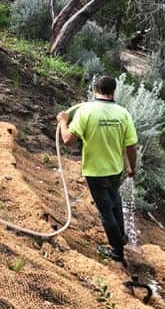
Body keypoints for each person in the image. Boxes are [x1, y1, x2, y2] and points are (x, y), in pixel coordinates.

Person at [56, 75, 138, 266]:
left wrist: (62, 121)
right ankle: (121, 239)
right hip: (115, 169)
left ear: (95, 90)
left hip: (94, 171)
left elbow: (67, 140)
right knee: (115, 200)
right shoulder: (123, 113)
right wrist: (132, 167)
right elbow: (131, 146)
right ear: (114, 91)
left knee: (105, 210)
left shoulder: (86, 112)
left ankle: (117, 249)